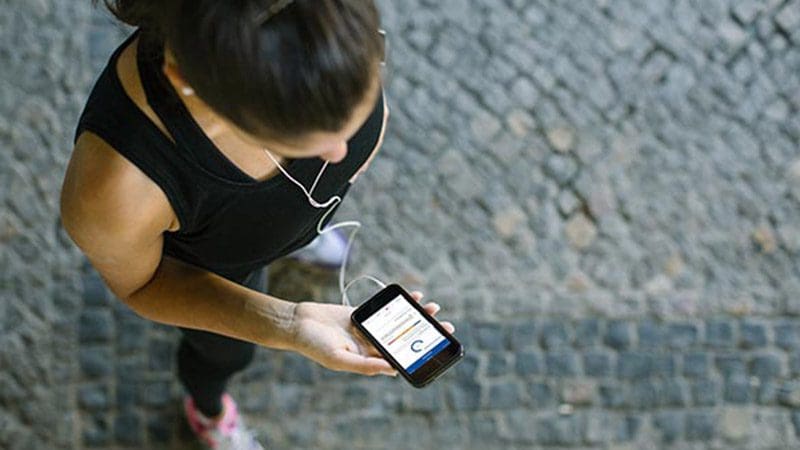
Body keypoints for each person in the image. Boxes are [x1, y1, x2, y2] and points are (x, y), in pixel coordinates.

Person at [59, 1, 456, 449]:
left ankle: (291, 233)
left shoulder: (323, 30)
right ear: (186, 82)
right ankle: (209, 412)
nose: (339, 154)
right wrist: (289, 321)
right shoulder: (114, 191)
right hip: (219, 271)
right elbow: (143, 285)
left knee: (279, 223)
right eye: (301, 137)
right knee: (224, 355)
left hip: (274, 220)